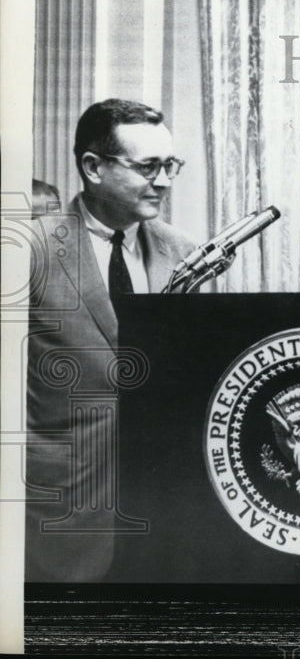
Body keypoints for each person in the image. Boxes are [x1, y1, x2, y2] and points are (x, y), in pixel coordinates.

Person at [26, 98, 197, 581]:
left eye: (170, 165)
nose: (163, 180)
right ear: (92, 167)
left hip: (162, 506)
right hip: (61, 512)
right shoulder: (32, 249)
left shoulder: (183, 251)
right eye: (147, 166)